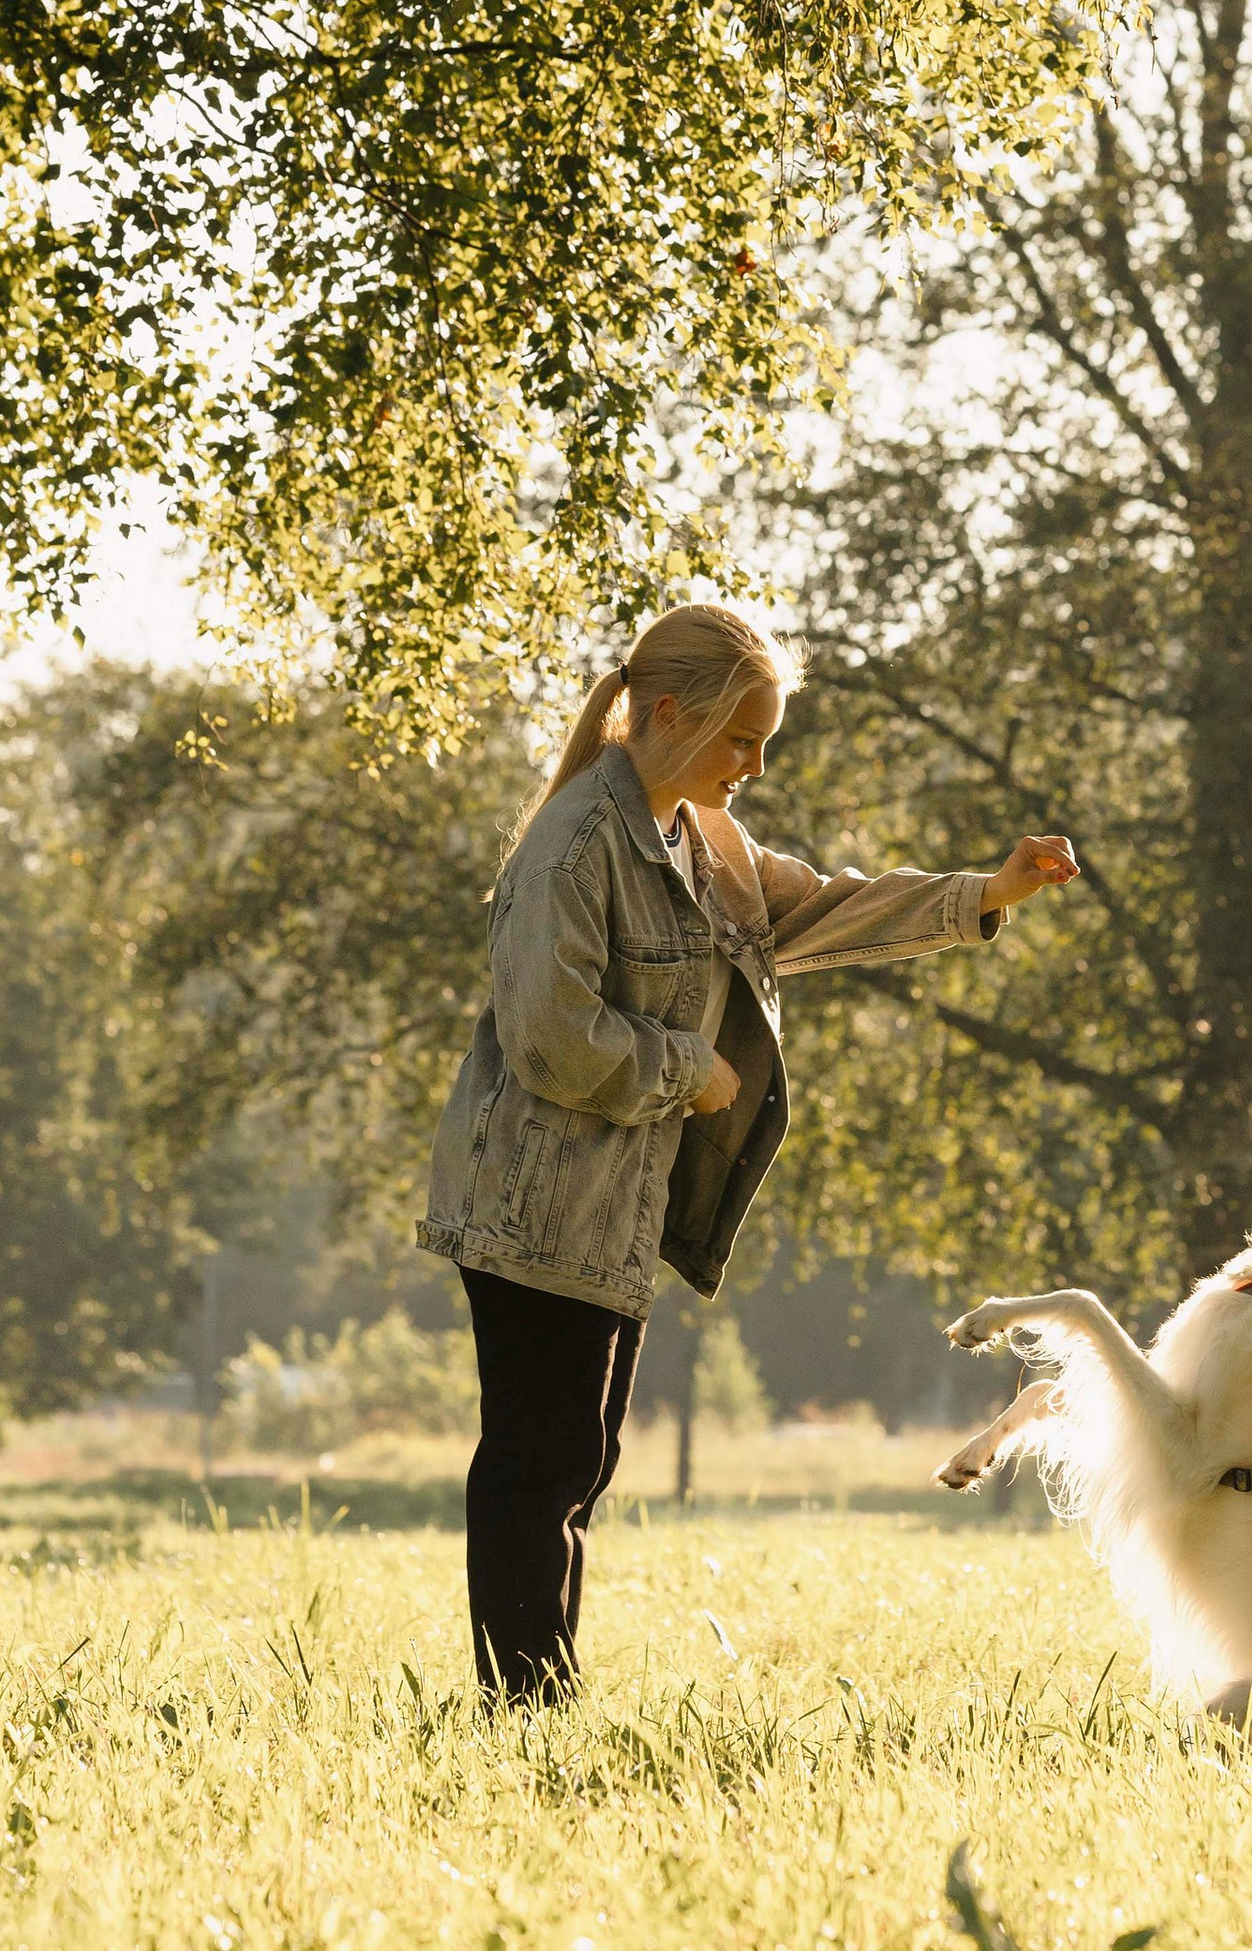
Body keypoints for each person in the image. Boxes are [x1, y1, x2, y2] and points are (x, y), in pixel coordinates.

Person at [423, 601, 1077, 1699]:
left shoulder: (701, 839)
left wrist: (985, 895)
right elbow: (546, 1034)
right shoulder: (575, 845)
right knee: (539, 1468)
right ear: (668, 714)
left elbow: (823, 909)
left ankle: (534, 1699)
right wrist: (690, 1069)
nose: (757, 765)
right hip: (535, 1206)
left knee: (579, 1464)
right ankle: (524, 1705)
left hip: (615, 1205)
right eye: (741, 738)